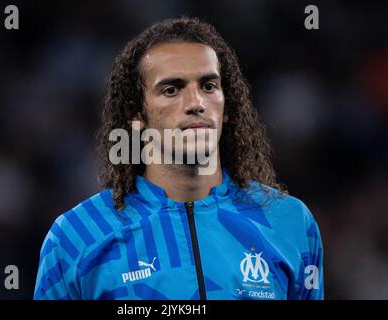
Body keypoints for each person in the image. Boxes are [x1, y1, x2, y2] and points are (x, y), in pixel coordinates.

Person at [34, 17, 324, 300]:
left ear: (226, 107)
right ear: (137, 115)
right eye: (171, 90)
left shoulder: (290, 223)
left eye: (209, 86)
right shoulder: (76, 237)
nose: (196, 103)